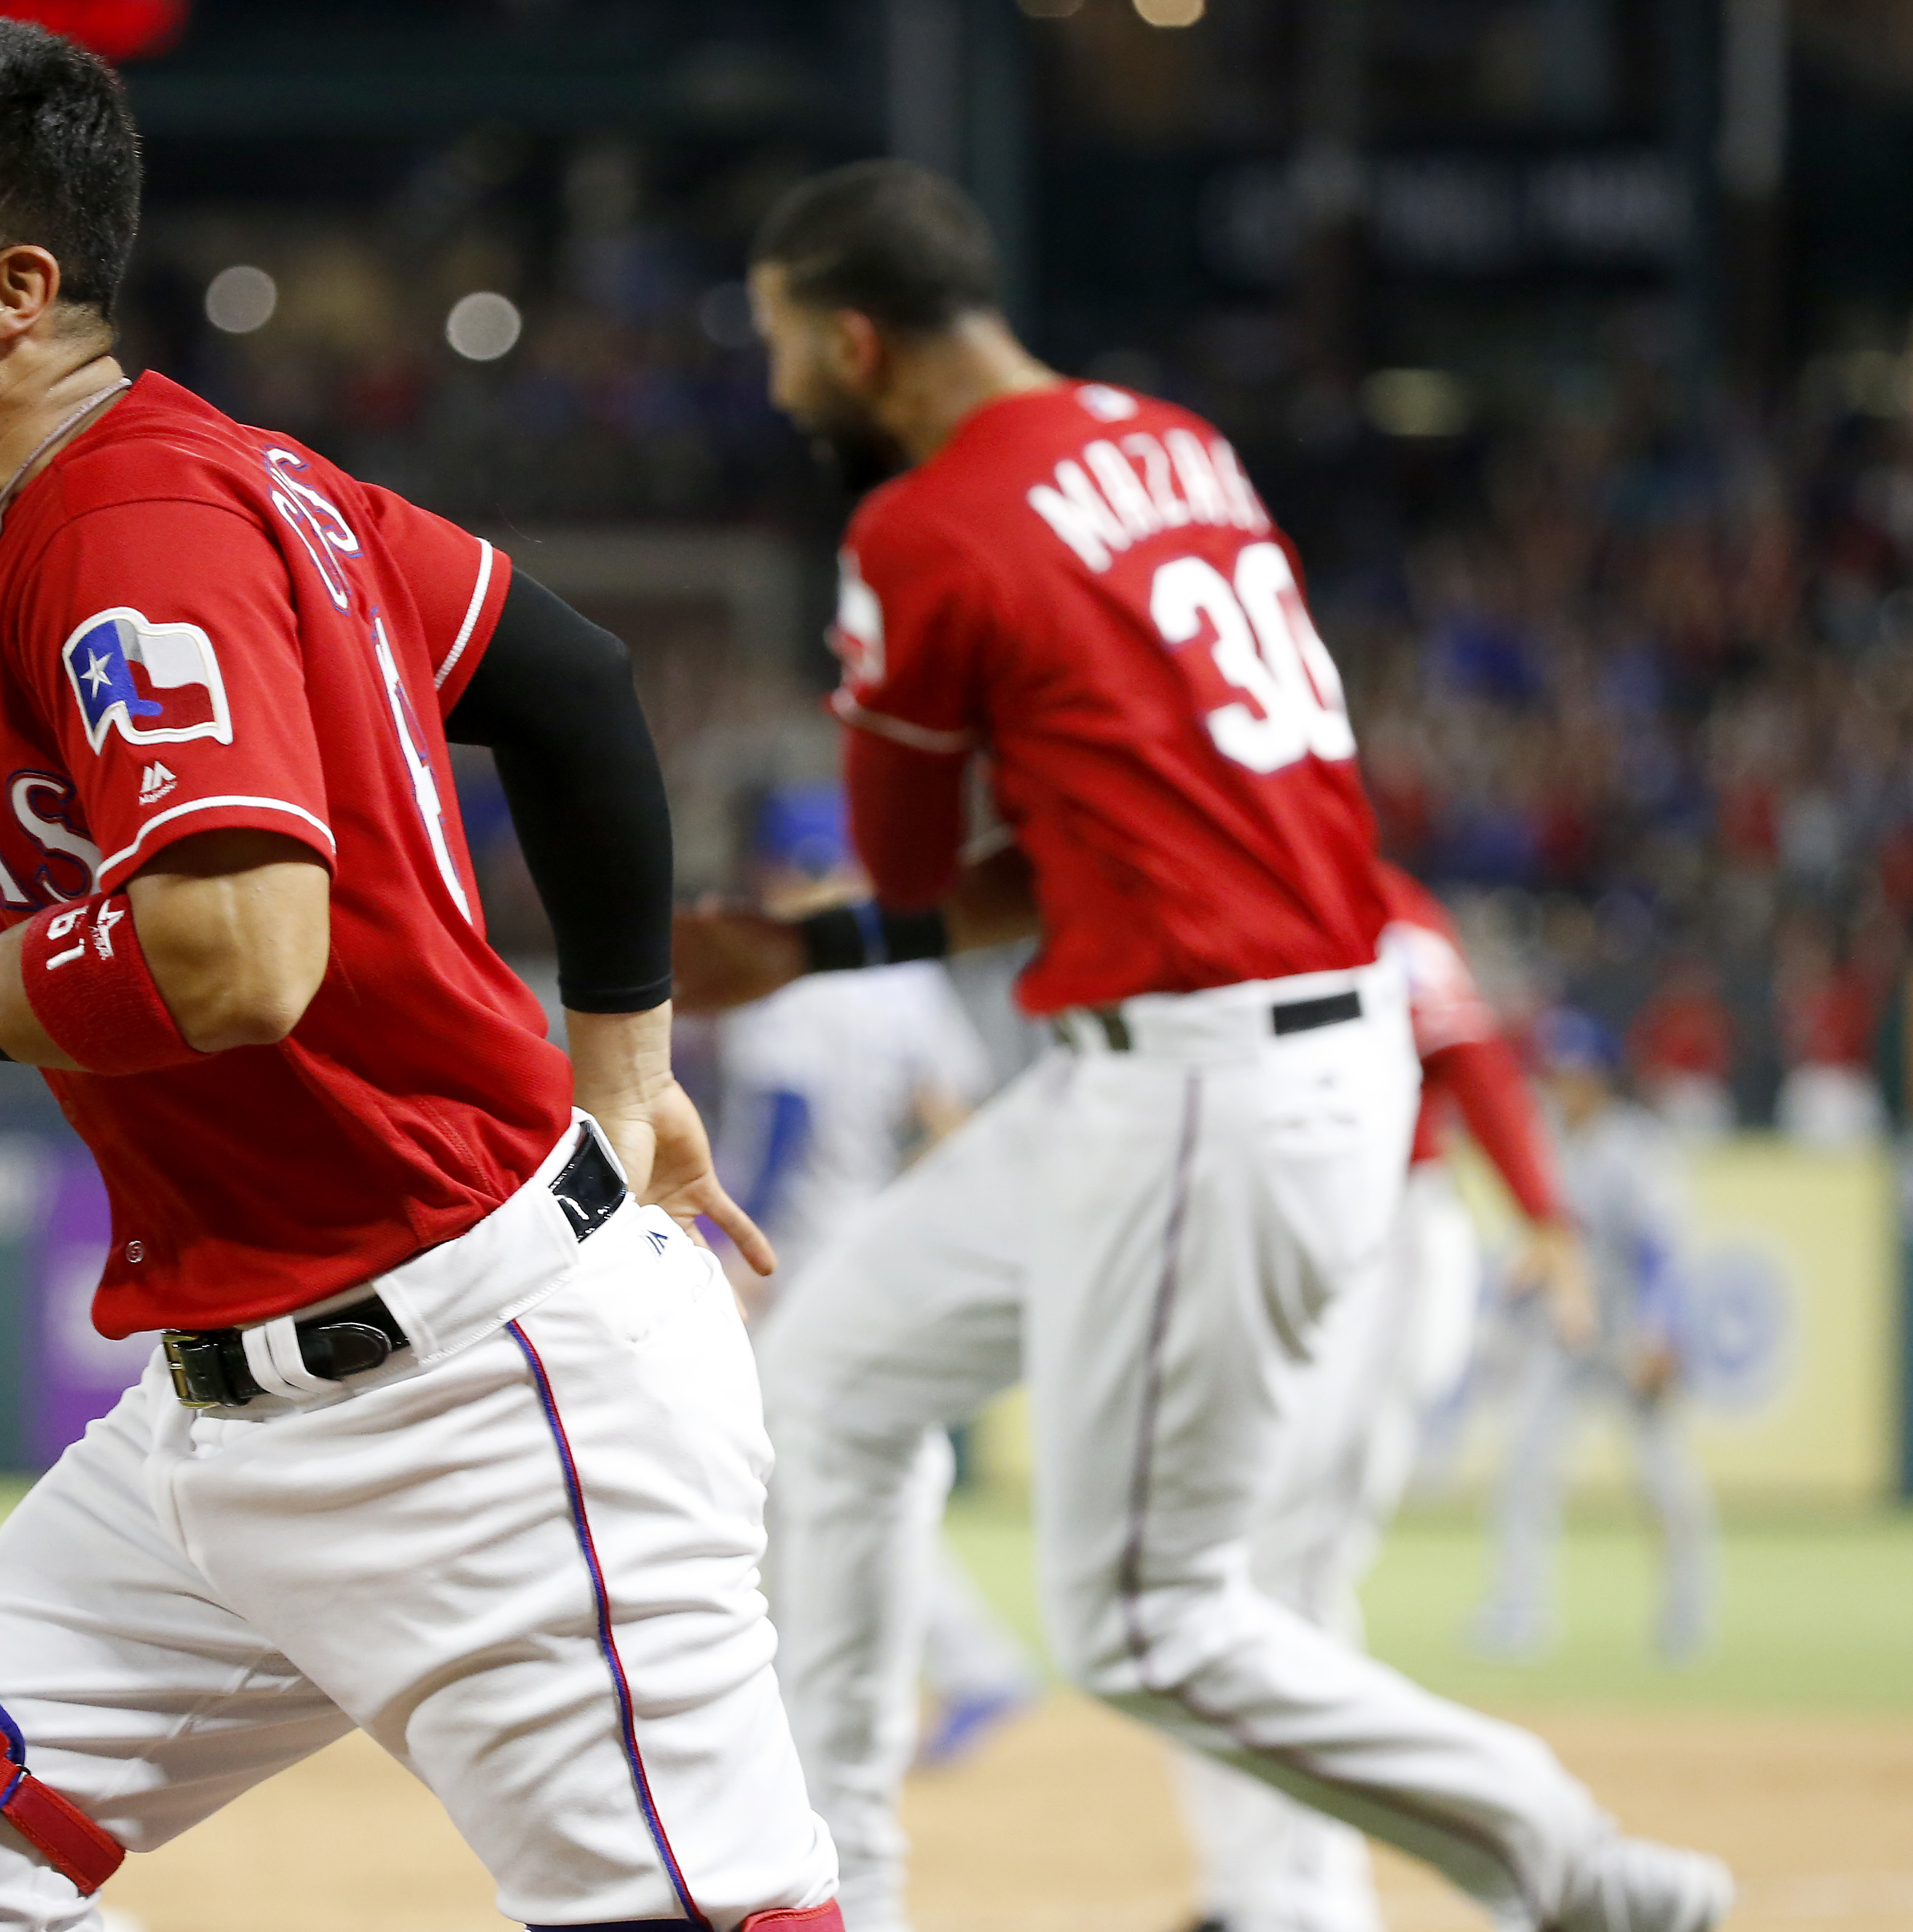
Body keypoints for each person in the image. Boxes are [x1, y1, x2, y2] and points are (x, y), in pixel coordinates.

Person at [0, 20, 838, 1932]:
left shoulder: (132, 523)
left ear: (13, 296)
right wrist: (623, 1068)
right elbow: (569, 683)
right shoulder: (211, 485)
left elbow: (239, 957)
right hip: (221, 1426)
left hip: (483, 1394)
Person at [675, 159, 1730, 1932]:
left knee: (1148, 1621)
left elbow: (926, 863)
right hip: (1216, 1046)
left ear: (855, 343)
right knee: (833, 1387)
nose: (778, 386)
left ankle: (1575, 1868)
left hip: (1208, 1075)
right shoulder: (1171, 445)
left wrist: (812, 927)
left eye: (784, 345)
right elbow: (1107, 843)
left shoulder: (921, 528)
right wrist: (813, 949)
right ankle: (824, 1891)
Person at [1166, 862, 1597, 1932]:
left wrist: (1543, 1214)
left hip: (1384, 1238)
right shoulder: (1198, 881)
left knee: (1287, 1576)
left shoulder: (1375, 899)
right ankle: (1251, 1887)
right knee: (1204, 1581)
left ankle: (1311, 1900)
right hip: (1261, 1233)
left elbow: (1469, 1057)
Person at [713, 781, 1039, 1774]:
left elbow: (778, 1131)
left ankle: (940, 1666)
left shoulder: (787, 977)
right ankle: (949, 1663)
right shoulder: (902, 974)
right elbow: (951, 1113)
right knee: (829, 1473)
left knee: (785, 1478)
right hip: (872, 1245)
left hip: (791, 1254)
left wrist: (734, 1254)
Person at [1472, 1009, 1718, 1667]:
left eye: (1574, 1074)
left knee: (1666, 1485)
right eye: (1555, 1074)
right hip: (1566, 1336)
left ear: (1603, 1079)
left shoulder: (1638, 1149)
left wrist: (1662, 1335)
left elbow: (1663, 1252)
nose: (1562, 1086)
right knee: (1525, 1473)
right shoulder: (1542, 1139)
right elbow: (1533, 1244)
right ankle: (1519, 1614)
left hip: (1631, 1340)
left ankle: (1686, 1617)